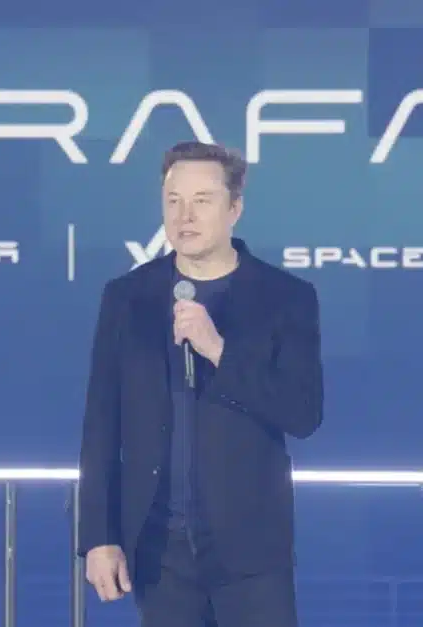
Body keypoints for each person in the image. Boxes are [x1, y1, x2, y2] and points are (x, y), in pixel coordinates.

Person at [76, 140, 324, 627]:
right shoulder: (127, 297)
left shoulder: (286, 297)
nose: (184, 215)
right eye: (173, 200)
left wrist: (218, 351)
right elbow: (101, 422)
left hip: (251, 551)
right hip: (159, 550)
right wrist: (98, 537)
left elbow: (303, 413)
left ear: (235, 208)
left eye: (201, 201)